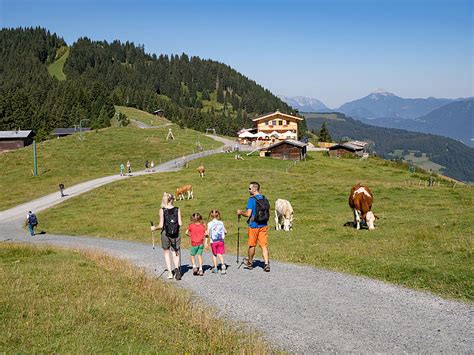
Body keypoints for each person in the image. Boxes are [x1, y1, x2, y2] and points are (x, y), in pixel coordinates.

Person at [237, 182, 270, 272]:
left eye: (249, 188)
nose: (248, 190)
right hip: (264, 224)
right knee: (264, 245)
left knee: (252, 245)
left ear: (254, 189)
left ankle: (250, 263)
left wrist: (240, 212)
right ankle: (266, 264)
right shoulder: (264, 198)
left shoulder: (252, 199)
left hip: (254, 225)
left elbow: (248, 214)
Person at [151, 192, 183, 280]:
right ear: (172, 200)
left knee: (166, 252)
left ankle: (170, 272)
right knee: (175, 251)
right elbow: (180, 223)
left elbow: (161, 225)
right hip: (176, 233)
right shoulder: (177, 209)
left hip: (165, 233)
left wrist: (154, 228)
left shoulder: (162, 210)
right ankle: (176, 268)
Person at [206, 210, 227, 274]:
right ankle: (223, 265)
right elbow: (226, 231)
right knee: (220, 253)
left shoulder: (209, 224)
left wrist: (206, 242)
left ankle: (215, 268)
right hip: (221, 241)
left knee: (214, 254)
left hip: (213, 241)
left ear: (211, 216)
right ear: (218, 215)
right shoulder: (221, 222)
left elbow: (207, 233)